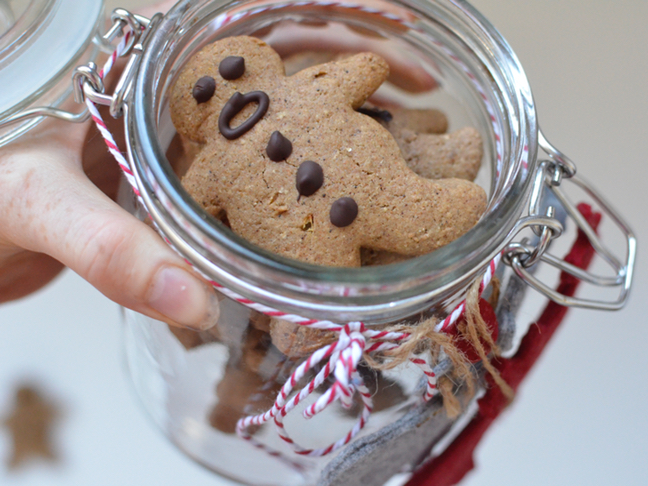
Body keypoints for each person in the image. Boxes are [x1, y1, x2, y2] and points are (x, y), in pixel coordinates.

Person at [0, 0, 434, 330]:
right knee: (317, 307)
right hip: (310, 255)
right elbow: (186, 202)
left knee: (415, 212)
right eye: (207, 91)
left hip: (381, 190)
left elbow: (363, 68)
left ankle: (430, 209)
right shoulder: (216, 164)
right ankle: (320, 317)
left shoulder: (309, 89)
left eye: (232, 69)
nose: (224, 83)